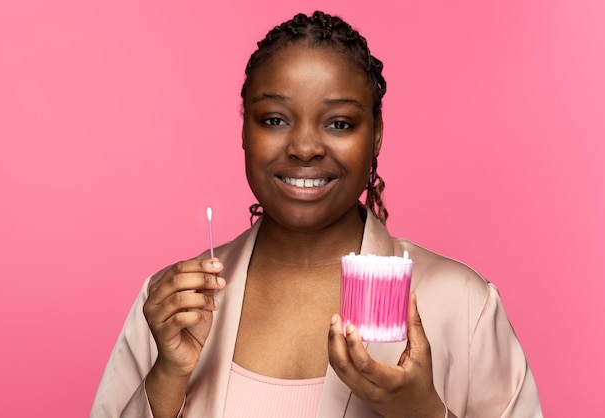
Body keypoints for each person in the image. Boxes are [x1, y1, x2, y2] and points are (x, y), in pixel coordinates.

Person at [91, 11, 542, 418]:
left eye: (340, 123)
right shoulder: (172, 305)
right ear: (244, 127)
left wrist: (423, 413)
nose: (305, 147)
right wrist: (167, 379)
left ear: (377, 134)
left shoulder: (461, 303)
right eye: (274, 119)